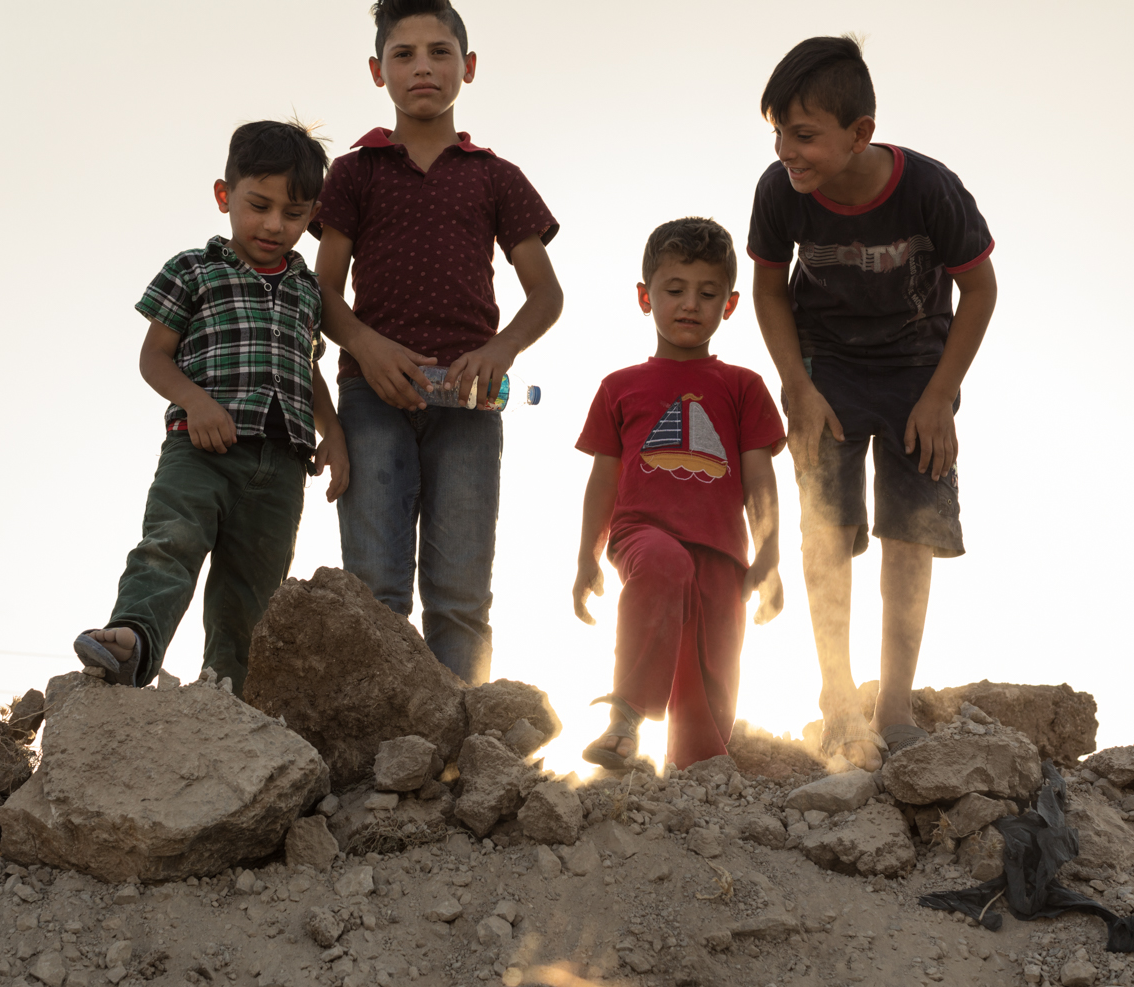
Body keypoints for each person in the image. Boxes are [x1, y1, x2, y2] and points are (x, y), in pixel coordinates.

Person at [748, 36, 997, 770]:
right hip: (826, 370)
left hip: (919, 370)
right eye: (777, 133)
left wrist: (941, 398)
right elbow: (766, 287)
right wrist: (796, 383)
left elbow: (980, 289)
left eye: (804, 135)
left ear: (860, 134)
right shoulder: (778, 192)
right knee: (826, 529)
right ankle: (837, 699)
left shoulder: (929, 189)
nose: (787, 151)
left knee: (909, 533)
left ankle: (893, 705)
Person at [310, 0, 563, 685]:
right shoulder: (354, 173)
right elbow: (321, 293)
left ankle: (461, 753)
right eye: (404, 54)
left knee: (460, 596)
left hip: (469, 407)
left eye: (439, 52)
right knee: (375, 592)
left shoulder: (495, 176)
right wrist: (364, 344)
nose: (423, 66)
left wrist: (502, 349)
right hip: (372, 399)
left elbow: (547, 295)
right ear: (377, 71)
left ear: (468, 67)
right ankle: (377, 748)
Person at [74, 120, 349, 691]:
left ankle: (228, 694)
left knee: (254, 589)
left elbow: (308, 366)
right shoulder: (194, 269)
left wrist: (336, 435)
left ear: (312, 215)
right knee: (171, 542)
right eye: (259, 205)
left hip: (282, 465)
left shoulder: (305, 288)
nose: (275, 225)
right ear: (225, 195)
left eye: (294, 214)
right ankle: (132, 639)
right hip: (200, 450)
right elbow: (154, 358)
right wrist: (196, 404)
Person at [572, 218, 785, 771]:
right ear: (645, 297)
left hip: (722, 553)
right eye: (674, 290)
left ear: (729, 305)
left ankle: (696, 782)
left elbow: (760, 478)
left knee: (711, 688)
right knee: (665, 565)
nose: (690, 304)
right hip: (643, 533)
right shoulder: (619, 387)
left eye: (707, 293)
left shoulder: (744, 386)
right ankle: (625, 718)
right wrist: (586, 558)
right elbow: (603, 479)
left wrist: (771, 555)